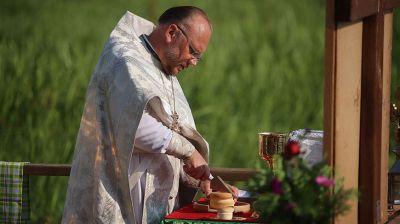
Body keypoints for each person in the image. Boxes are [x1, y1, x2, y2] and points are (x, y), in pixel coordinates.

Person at [62, 6, 231, 224]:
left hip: (157, 204)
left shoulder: (162, 67)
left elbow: (173, 133)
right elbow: (133, 126)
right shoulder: (125, 59)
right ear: (172, 33)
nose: (194, 62)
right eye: (193, 52)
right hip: (125, 199)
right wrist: (188, 152)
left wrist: (201, 179)